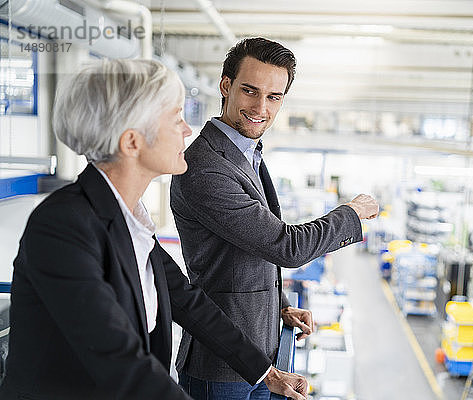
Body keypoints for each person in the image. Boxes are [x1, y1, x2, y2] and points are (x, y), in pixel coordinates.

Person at [0, 59, 307, 400]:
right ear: (132, 142)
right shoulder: (62, 226)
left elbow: (189, 304)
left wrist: (266, 371)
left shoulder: (129, 218)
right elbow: (118, 358)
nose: (187, 130)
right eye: (175, 119)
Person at [171, 37, 379, 400]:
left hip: (257, 354)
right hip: (220, 365)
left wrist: (278, 307)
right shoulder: (206, 167)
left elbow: (244, 254)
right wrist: (351, 216)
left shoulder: (245, 153)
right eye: (250, 91)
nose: (260, 107)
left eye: (273, 97)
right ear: (226, 86)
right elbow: (285, 246)